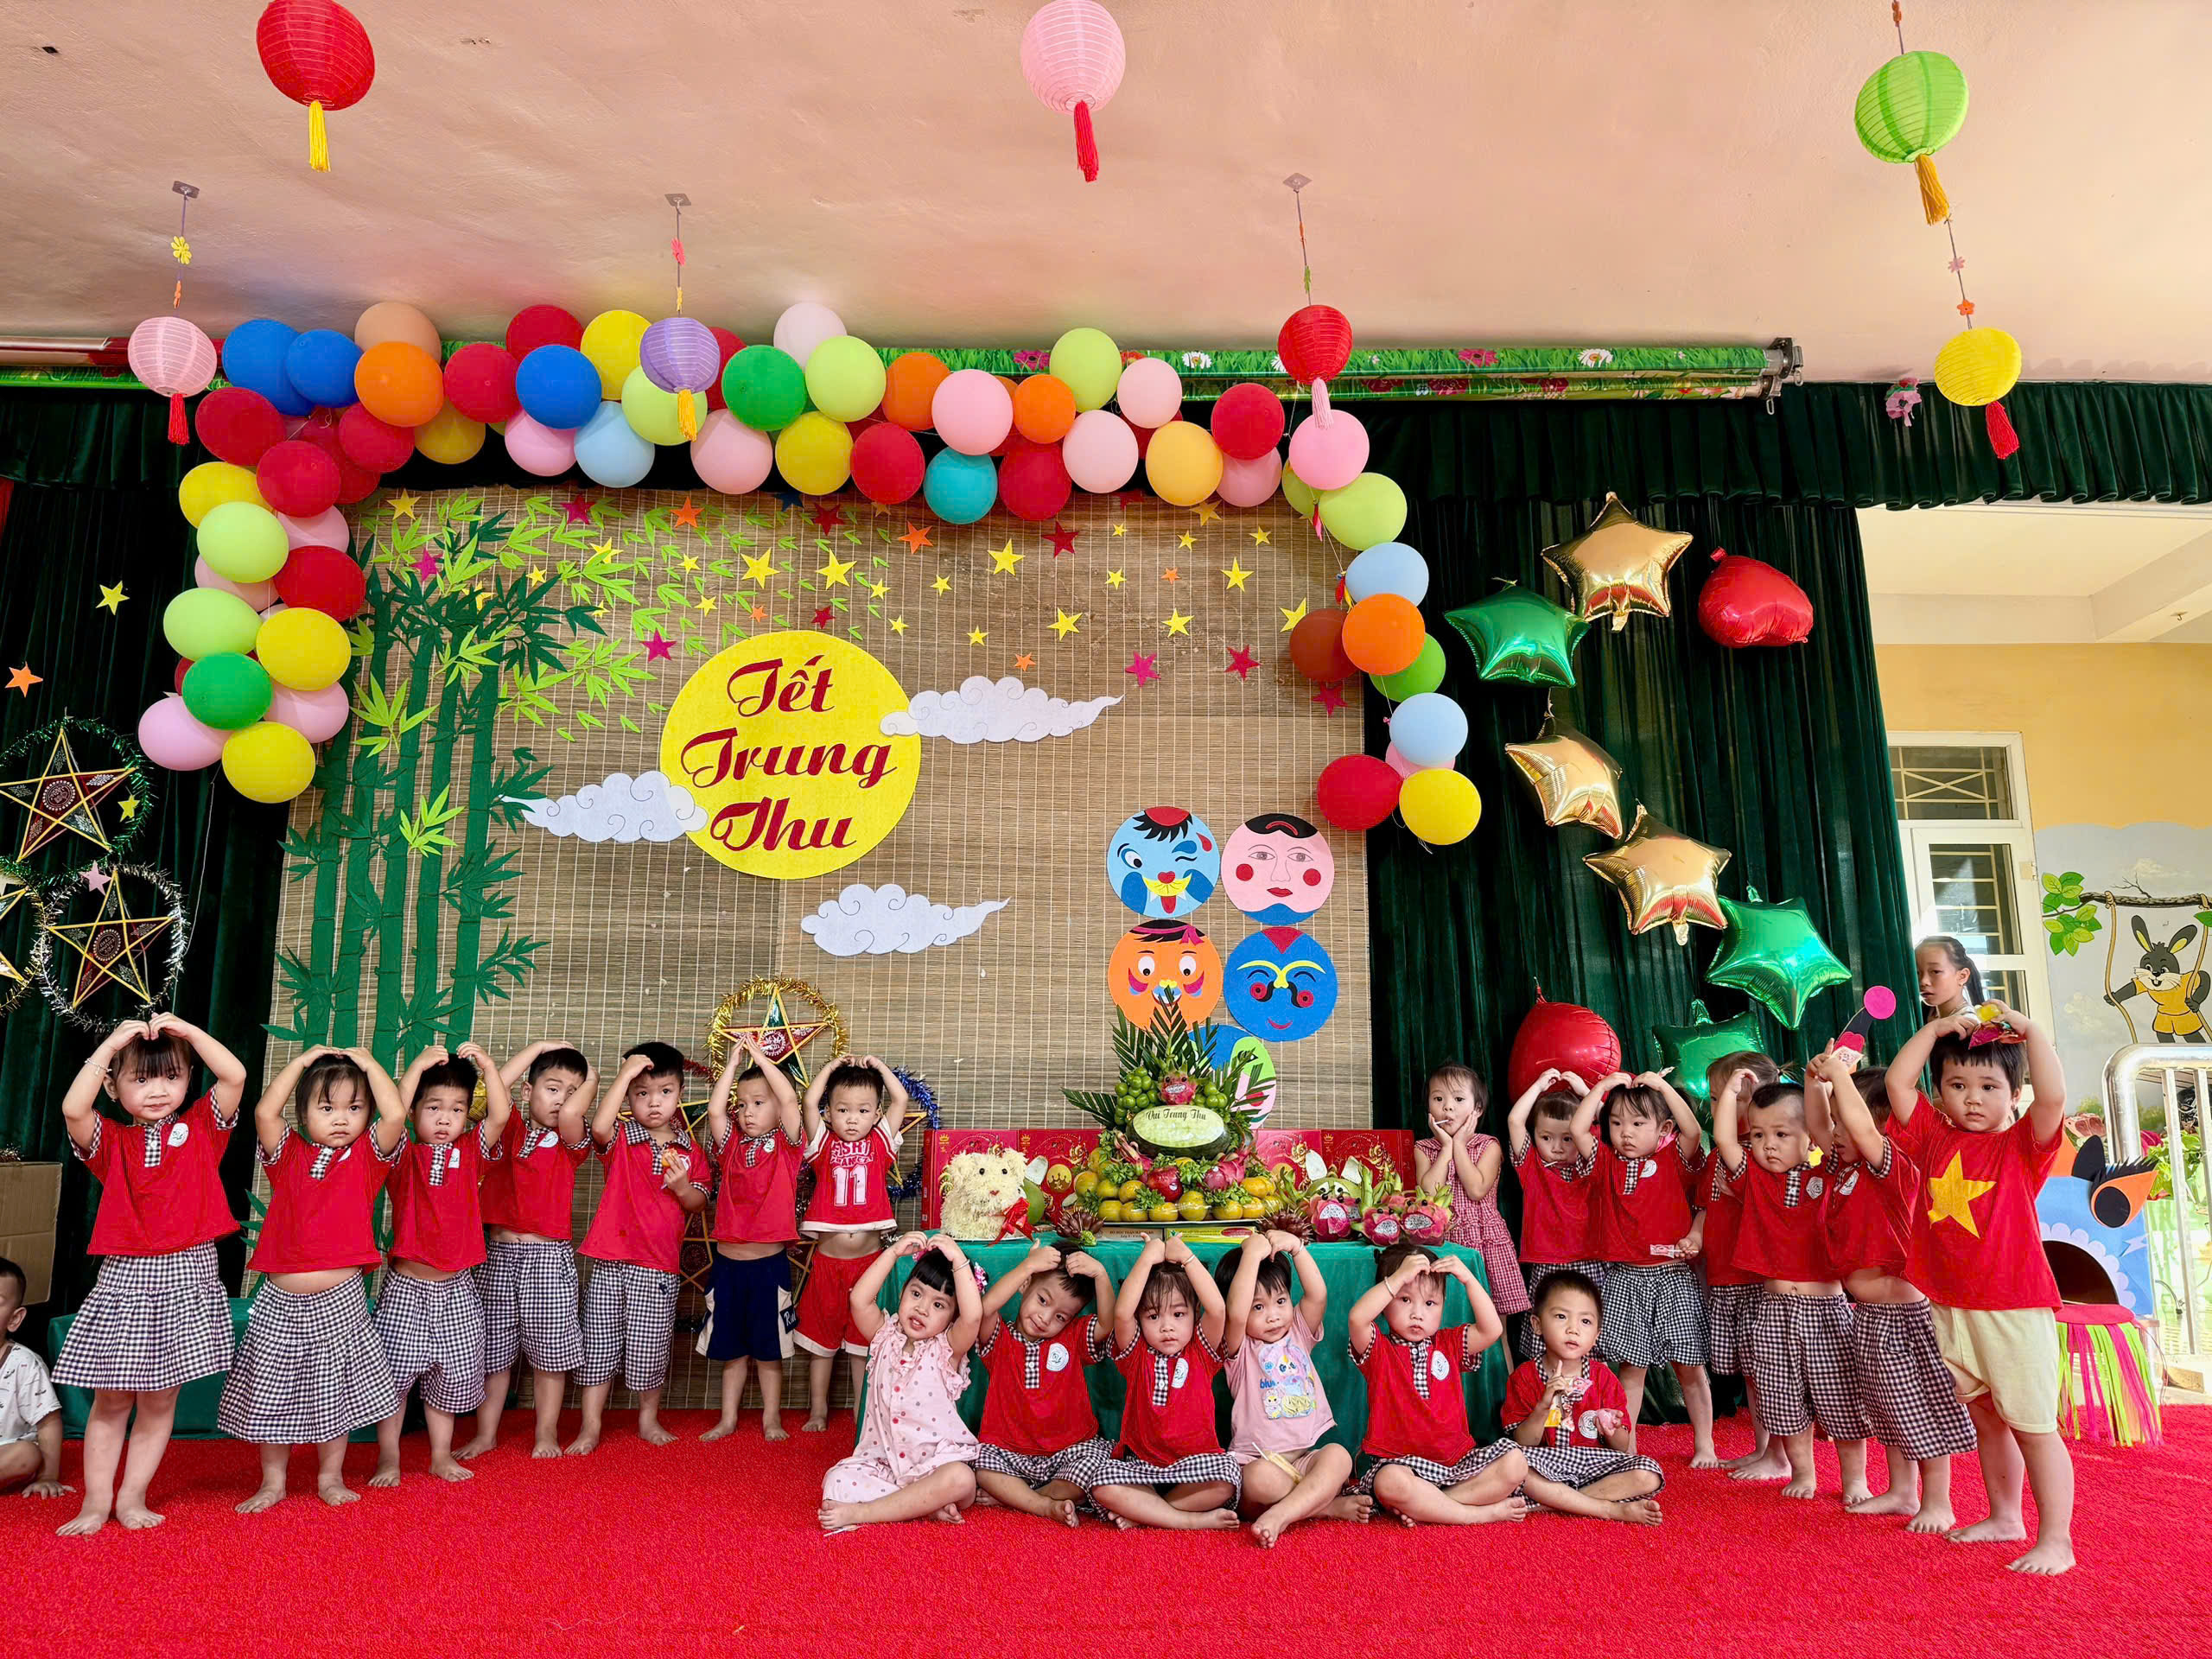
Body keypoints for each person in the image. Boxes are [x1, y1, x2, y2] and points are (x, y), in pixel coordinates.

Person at [1886, 1002, 2076, 1573]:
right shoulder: (1933, 1137)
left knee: (2034, 1427)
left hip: (2012, 1306)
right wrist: (1934, 1029)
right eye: (1958, 1085)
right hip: (1951, 1305)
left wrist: (2032, 1031)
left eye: (1989, 1087)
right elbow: (1897, 1083)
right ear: (1940, 1092)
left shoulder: (2021, 1145)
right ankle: (2005, 1516)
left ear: (2013, 1095)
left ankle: (2057, 1540)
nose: (1972, 1098)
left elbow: (2053, 1099)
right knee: (1989, 1419)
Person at [51, 1014, 245, 1534]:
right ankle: (96, 1503)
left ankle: (132, 1498)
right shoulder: (112, 1142)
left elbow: (235, 1076)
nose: (158, 1090)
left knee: (161, 1401)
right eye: (140, 1079)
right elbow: (73, 1109)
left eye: (171, 1076)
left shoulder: (203, 1127)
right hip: (126, 1279)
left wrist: (189, 1033)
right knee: (112, 1398)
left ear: (188, 1079)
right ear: (113, 1088)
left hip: (189, 1276)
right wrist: (111, 1045)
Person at [219, 1046, 407, 1512]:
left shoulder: (367, 1157)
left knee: (334, 1390)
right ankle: (273, 1482)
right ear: (303, 1115)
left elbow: (396, 1114)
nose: (341, 1118)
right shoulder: (288, 1154)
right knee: (271, 1388)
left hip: (341, 1298)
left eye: (354, 1108)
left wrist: (370, 1064)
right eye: (326, 1108)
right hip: (279, 1300)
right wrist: (301, 1064)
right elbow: (264, 1111)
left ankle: (330, 1477)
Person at [1814, 1052, 1975, 1530]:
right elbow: (1821, 1129)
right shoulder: (1844, 1170)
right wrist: (1815, 1082)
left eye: (1844, 1121)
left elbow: (1864, 1133)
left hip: (1904, 1317)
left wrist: (1839, 1076)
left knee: (1920, 1409)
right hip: (1868, 1316)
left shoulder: (1895, 1168)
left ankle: (1938, 1500)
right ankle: (1902, 1491)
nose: (1835, 1132)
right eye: (1836, 1121)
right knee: (1886, 1408)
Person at [1713, 1073, 1869, 1502]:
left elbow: (1827, 1128)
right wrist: (1731, 1094)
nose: (1768, 1145)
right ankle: (1803, 1472)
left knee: (1840, 1399)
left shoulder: (1830, 1174)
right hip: (1773, 1308)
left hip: (1826, 1310)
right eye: (1758, 1135)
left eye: (1781, 1134)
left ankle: (1855, 1480)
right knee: (1783, 1400)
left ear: (1810, 1138)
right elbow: (1724, 1139)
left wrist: (1822, 1089)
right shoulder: (1755, 1179)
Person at [370, 1043, 511, 1488]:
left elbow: (500, 1116)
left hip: (458, 1289)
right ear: (414, 1112)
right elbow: (391, 1114)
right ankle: (388, 1459)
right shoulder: (401, 1155)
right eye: (433, 1108)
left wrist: (488, 1067)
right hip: (406, 1289)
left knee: (451, 1378)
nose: (446, 1118)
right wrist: (414, 1067)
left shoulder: (471, 1152)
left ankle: (440, 1455)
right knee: (393, 1380)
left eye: (457, 1109)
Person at [569, 1042, 710, 1454]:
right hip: (610, 1260)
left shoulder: (689, 1150)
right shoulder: (621, 1136)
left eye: (665, 1092)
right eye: (641, 1093)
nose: (653, 1102)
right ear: (629, 1096)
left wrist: (682, 1187)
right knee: (598, 1345)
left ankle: (648, 1419)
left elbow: (698, 1202)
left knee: (650, 1347)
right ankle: (590, 1426)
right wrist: (625, 1073)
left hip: (658, 1265)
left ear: (680, 1093)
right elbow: (598, 1128)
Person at [1570, 1070, 1716, 1465]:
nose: (1626, 1133)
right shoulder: (1605, 1162)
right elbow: (1579, 1129)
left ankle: (1705, 1445)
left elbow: (1692, 1131)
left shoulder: (1673, 1158)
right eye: (1617, 1124)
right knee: (1631, 1371)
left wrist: (1662, 1087)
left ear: (1663, 1129)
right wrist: (1603, 1087)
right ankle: (1628, 1448)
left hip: (1673, 1277)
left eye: (1638, 1124)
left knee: (1690, 1367)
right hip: (1626, 1278)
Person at [460, 1040, 595, 1460]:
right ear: (527, 1090)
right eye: (553, 1088)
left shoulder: (572, 1140)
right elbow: (495, 1088)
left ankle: (546, 1432)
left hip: (548, 1259)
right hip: (498, 1253)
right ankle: (486, 1434)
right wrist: (537, 1047)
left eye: (573, 1093)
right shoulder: (510, 1127)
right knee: (494, 1352)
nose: (562, 1100)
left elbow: (572, 1112)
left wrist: (589, 1074)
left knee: (550, 1354)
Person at [1346, 1243, 1529, 1526]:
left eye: (1430, 1304)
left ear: (1443, 1304)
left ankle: (1433, 1505)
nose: (1417, 1313)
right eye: (1405, 1299)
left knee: (1516, 1463)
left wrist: (1469, 1279)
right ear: (1386, 1302)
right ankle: (1473, 1514)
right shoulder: (1378, 1348)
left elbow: (1492, 1329)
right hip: (1402, 1466)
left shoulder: (1450, 1344)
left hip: (1455, 1464)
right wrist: (1398, 1277)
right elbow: (1357, 1318)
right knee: (1390, 1483)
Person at [817, 1233, 982, 1532]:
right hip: (883, 1465)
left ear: (951, 1317)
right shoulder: (883, 1337)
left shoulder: (946, 1351)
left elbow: (972, 1318)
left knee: (962, 1479)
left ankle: (866, 1512)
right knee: (835, 1482)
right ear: (903, 1291)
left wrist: (959, 1259)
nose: (922, 1309)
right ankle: (921, 1506)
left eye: (939, 1305)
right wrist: (892, 1253)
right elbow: (859, 1299)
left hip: (934, 1468)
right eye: (916, 1294)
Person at [1217, 1230, 1367, 1545]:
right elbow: (1235, 1314)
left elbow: (1317, 1296)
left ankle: (1284, 1513)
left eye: (1280, 1301)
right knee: (1258, 1482)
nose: (1273, 1316)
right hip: (1260, 1463)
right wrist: (1251, 1255)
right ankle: (1321, 1507)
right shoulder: (1239, 1349)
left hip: (1304, 1460)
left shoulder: (1297, 1332)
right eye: (1258, 1307)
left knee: (1340, 1457)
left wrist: (1298, 1249)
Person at [1088, 1235, 1242, 1530]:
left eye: (1179, 1314)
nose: (1167, 1326)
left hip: (1194, 1465)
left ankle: (1147, 1512)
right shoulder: (1135, 1354)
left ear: (1195, 1315)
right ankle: (1186, 1520)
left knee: (1227, 1478)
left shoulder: (1201, 1350)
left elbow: (1218, 1310)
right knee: (1100, 1483)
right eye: (1153, 1316)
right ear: (1140, 1319)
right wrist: (1148, 1257)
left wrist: (1187, 1257)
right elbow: (1121, 1314)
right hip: (1141, 1467)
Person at [793, 1055, 911, 1432]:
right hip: (828, 1265)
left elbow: (900, 1099)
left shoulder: (881, 1142)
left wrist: (878, 1068)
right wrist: (829, 1070)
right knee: (822, 1343)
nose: (852, 1119)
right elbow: (808, 1101)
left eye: (862, 1110)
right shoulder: (822, 1143)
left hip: (868, 1265)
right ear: (829, 1113)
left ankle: (863, 1413)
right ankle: (818, 1410)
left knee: (864, 1345)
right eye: (842, 1110)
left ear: (876, 1114)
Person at [700, 1037, 804, 1443]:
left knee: (769, 1350)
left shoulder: (787, 1146)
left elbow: (790, 1100)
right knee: (732, 1350)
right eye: (742, 1104)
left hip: (768, 1268)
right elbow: (715, 1111)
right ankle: (727, 1419)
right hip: (728, 1266)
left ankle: (771, 1418)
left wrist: (761, 1058)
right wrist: (733, 1065)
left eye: (759, 1103)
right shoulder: (730, 1147)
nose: (747, 1112)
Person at [971, 1243, 1116, 1528]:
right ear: (1025, 1285)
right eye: (1042, 1300)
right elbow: (985, 1310)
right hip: (1009, 1453)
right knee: (982, 1468)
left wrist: (1100, 1274)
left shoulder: (1073, 1337)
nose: (1045, 1318)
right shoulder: (1000, 1338)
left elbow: (1108, 1325)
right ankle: (1042, 1504)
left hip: (1068, 1452)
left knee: (1096, 1468)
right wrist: (1028, 1266)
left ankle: (1019, 1498)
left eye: (1061, 1317)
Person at [1503, 1269, 1664, 1524]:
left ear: (1596, 1336)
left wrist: (1612, 1429)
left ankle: (1552, 1504)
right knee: (1508, 1462)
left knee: (1649, 1473)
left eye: (1585, 1322)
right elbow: (1523, 1442)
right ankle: (1604, 1507)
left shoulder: (1603, 1378)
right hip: (1544, 1463)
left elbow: (1621, 1447)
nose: (1573, 1329)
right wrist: (1544, 1406)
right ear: (1537, 1324)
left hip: (1593, 1465)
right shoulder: (1524, 1376)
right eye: (1561, 1316)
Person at [1700, 1052, 1786, 1478]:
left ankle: (1780, 1456)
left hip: (1753, 1278)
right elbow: (1707, 1207)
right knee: (1753, 1374)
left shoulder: (1761, 1153)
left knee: (1768, 1373)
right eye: (1714, 1099)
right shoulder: (1719, 1157)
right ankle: (1764, 1448)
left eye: (1724, 1098)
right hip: (1726, 1274)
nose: (1716, 1107)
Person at [1414, 1062, 1529, 1319]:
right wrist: (1446, 1148)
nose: (1448, 1107)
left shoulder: (1489, 1146)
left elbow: (1476, 1189)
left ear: (1477, 1109)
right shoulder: (1423, 1149)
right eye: (1438, 1099)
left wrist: (1459, 1145)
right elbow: (1430, 1195)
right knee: (1447, 1317)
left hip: (1485, 1241)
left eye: (1458, 1099)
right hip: (1443, 1241)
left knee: (1493, 1320)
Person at [1504, 1068, 1600, 1357]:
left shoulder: (1590, 1163)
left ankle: (1589, 1385)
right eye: (1546, 1137)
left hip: (1588, 1260)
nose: (1556, 1147)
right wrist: (1537, 1086)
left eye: (1567, 1139)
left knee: (1587, 1337)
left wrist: (1585, 1093)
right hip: (1547, 1262)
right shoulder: (1532, 1167)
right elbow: (1514, 1121)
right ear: (1535, 1135)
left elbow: (1606, 1122)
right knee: (1548, 1336)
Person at [0, 1256, 68, 1501]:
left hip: (6, 1453)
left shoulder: (24, 1363)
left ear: (14, 1319)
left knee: (27, 1455)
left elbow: (48, 1422)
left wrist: (48, 1475)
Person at [1916, 936, 1983, 1020]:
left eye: (1936, 971)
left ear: (1962, 976)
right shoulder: (1924, 1014)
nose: (1923, 981)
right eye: (1917, 972)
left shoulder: (1968, 1022)